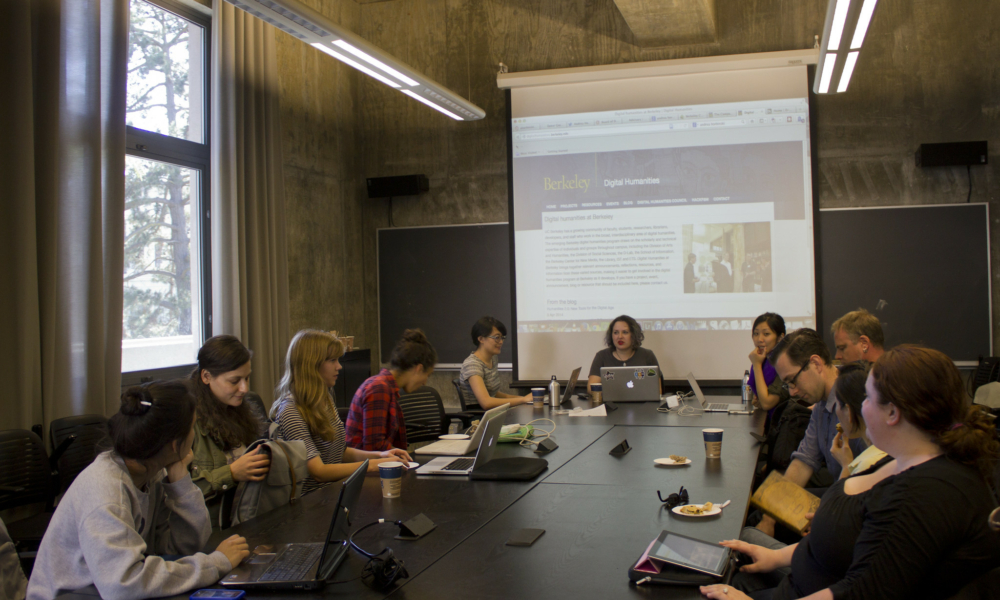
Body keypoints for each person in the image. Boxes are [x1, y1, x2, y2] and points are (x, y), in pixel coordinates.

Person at [701, 346, 1000, 600]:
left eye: (867, 398)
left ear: (893, 413)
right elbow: (845, 541)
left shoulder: (921, 494)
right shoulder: (905, 461)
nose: (860, 407)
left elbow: (861, 591)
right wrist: (775, 556)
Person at [26, 381, 249, 600]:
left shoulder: (151, 472)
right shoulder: (106, 491)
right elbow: (123, 585)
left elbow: (180, 549)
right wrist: (215, 564)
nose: (195, 434)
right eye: (193, 427)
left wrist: (180, 479)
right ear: (175, 444)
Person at [754, 328, 867, 537]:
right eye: (787, 385)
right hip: (843, 494)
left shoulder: (855, 401)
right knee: (761, 512)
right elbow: (803, 461)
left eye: (793, 381)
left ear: (816, 364)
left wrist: (829, 515)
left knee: (759, 526)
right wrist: (769, 519)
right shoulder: (821, 404)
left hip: (859, 506)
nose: (793, 391)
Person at [270, 330, 412, 495]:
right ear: (311, 365)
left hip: (334, 493)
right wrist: (371, 465)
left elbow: (341, 453)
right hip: (310, 501)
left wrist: (380, 456)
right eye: (332, 360)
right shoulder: (290, 411)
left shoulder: (324, 399)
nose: (339, 366)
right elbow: (318, 472)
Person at [188, 335, 271, 526]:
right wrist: (231, 473)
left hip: (247, 517)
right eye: (234, 381)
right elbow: (181, 493)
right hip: (212, 528)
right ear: (206, 377)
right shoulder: (188, 422)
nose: (244, 388)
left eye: (247, 378)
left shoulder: (240, 411)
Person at [346, 329, 437, 451]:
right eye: (427, 375)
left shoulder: (386, 387)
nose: (425, 382)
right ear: (418, 369)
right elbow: (374, 448)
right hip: (364, 462)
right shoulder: (379, 388)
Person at [829, 361, 888, 479]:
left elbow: (842, 492)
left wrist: (846, 466)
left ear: (848, 411)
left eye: (837, 404)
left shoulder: (866, 466)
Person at [458, 317, 532, 409]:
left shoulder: (493, 359)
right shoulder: (472, 364)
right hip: (479, 415)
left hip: (493, 413)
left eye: (502, 338)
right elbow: (486, 403)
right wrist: (523, 400)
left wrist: (524, 399)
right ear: (481, 339)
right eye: (497, 338)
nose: (501, 342)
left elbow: (493, 394)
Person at [587, 315, 661, 393]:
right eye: (616, 332)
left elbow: (658, 390)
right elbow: (591, 388)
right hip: (610, 401)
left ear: (633, 334)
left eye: (625, 332)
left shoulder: (647, 355)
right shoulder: (602, 356)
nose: (620, 336)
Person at [747, 313, 790, 413]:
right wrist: (759, 400)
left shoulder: (785, 362)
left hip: (788, 419)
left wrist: (756, 365)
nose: (759, 339)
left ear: (780, 337)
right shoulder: (763, 359)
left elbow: (767, 403)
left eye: (766, 334)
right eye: (756, 333)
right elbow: (761, 400)